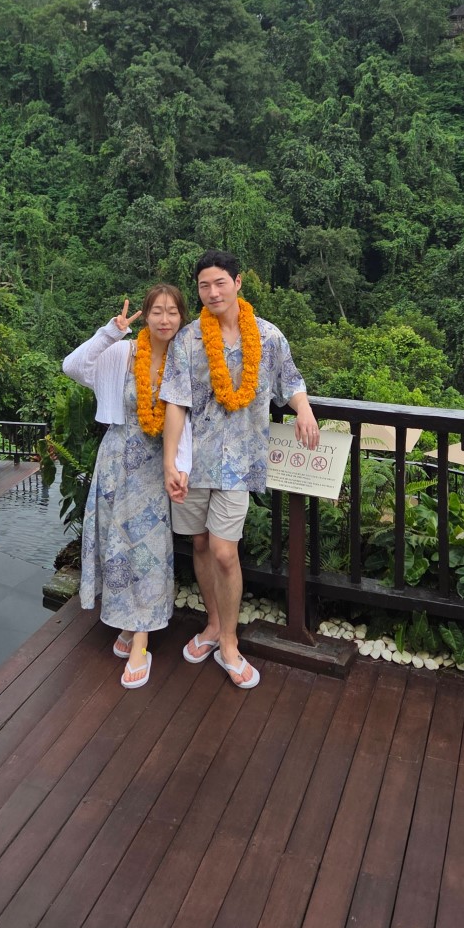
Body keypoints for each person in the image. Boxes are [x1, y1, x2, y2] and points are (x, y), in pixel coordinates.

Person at [161, 249, 319, 690]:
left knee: (224, 552)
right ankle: (213, 624)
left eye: (220, 283)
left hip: (240, 462)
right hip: (193, 463)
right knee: (199, 543)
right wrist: (170, 460)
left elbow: (290, 381)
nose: (212, 292)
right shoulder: (188, 340)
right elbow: (175, 403)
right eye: (204, 285)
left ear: (238, 282)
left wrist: (305, 410)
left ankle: (229, 643)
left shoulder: (267, 336)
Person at [62, 285, 189, 689]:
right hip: (117, 460)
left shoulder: (185, 358)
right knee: (117, 543)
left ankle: (141, 640)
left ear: (182, 317)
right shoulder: (124, 353)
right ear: (146, 316)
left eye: (172, 312)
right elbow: (73, 367)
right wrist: (111, 332)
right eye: (157, 312)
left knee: (149, 548)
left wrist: (181, 465)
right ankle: (128, 622)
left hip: (158, 464)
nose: (165, 319)